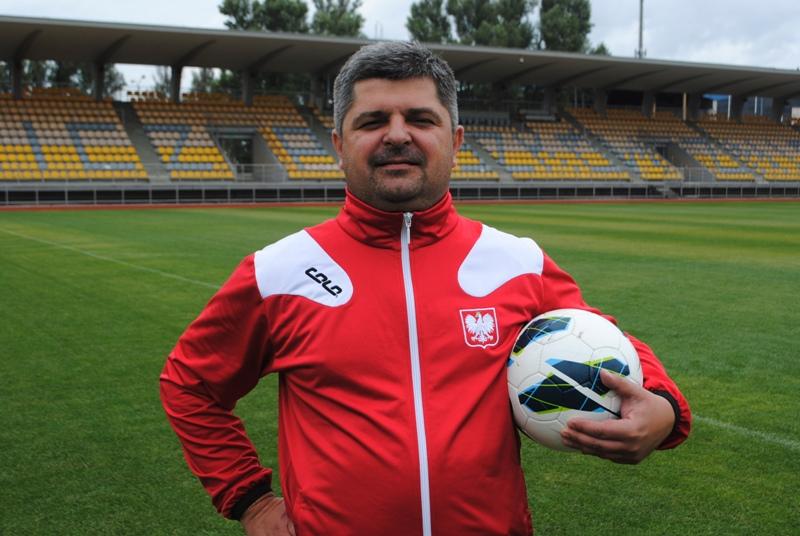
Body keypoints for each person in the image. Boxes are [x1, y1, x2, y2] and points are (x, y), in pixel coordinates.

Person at [160, 41, 691, 536]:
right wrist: (250, 499)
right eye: (373, 121)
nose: (397, 135)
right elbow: (190, 384)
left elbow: (599, 334)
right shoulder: (278, 271)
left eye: (420, 118)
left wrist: (664, 407)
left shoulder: (516, 261)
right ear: (339, 145)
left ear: (454, 141)